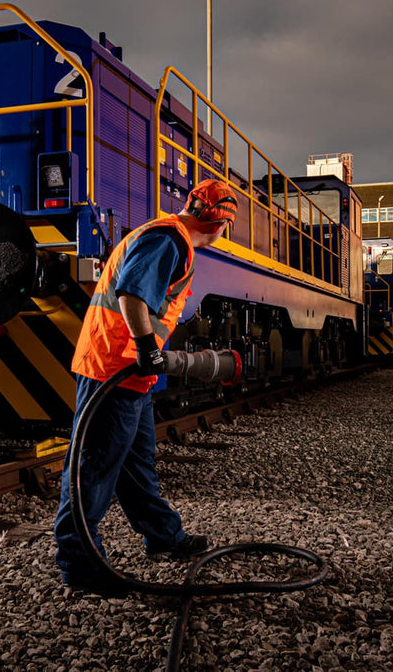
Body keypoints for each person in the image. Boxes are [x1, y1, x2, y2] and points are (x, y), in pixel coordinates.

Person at [53, 177, 242, 595]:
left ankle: (162, 535)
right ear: (219, 225)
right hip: (113, 368)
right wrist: (144, 347)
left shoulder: (169, 236)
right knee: (92, 467)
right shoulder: (168, 240)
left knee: (137, 465)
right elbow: (131, 295)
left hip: (131, 372)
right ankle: (79, 563)